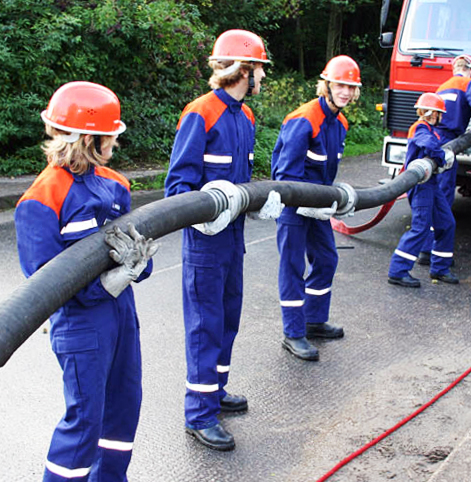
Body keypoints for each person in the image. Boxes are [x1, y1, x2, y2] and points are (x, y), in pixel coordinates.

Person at [15, 81, 158, 481]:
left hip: (122, 316)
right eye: (110, 135)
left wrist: (137, 266)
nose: (116, 141)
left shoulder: (115, 184)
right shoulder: (41, 199)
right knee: (85, 422)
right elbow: (46, 283)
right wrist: (106, 285)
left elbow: (136, 247)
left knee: (124, 409)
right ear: (89, 139)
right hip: (81, 325)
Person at [164, 29, 276, 452]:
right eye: (259, 69)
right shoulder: (201, 112)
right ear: (243, 69)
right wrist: (207, 211)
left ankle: (216, 390)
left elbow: (241, 182)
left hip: (234, 239)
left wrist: (256, 202)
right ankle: (199, 413)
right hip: (206, 244)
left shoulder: (245, 117)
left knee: (228, 317)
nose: (262, 76)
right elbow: (178, 187)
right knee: (205, 324)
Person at [271, 55, 361, 361]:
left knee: (326, 258)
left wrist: (329, 201)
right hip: (293, 207)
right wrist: (305, 203)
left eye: (351, 87)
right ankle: (293, 333)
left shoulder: (341, 123)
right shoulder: (305, 119)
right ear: (327, 85)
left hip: (320, 206)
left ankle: (313, 320)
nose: (345, 92)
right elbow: (285, 176)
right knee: (292, 266)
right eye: (340, 85)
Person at [418, 54, 471, 266]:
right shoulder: (468, 83)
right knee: (443, 198)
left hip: (434, 138)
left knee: (432, 194)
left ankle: (425, 250)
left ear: (454, 69)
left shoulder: (443, 86)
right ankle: (437, 254)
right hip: (450, 142)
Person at [388, 92, 458, 288]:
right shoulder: (420, 128)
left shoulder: (428, 129)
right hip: (420, 185)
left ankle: (440, 268)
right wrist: (442, 158)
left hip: (431, 183)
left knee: (447, 223)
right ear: (433, 114)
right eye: (439, 113)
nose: (440, 117)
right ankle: (398, 272)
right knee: (421, 227)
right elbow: (427, 143)